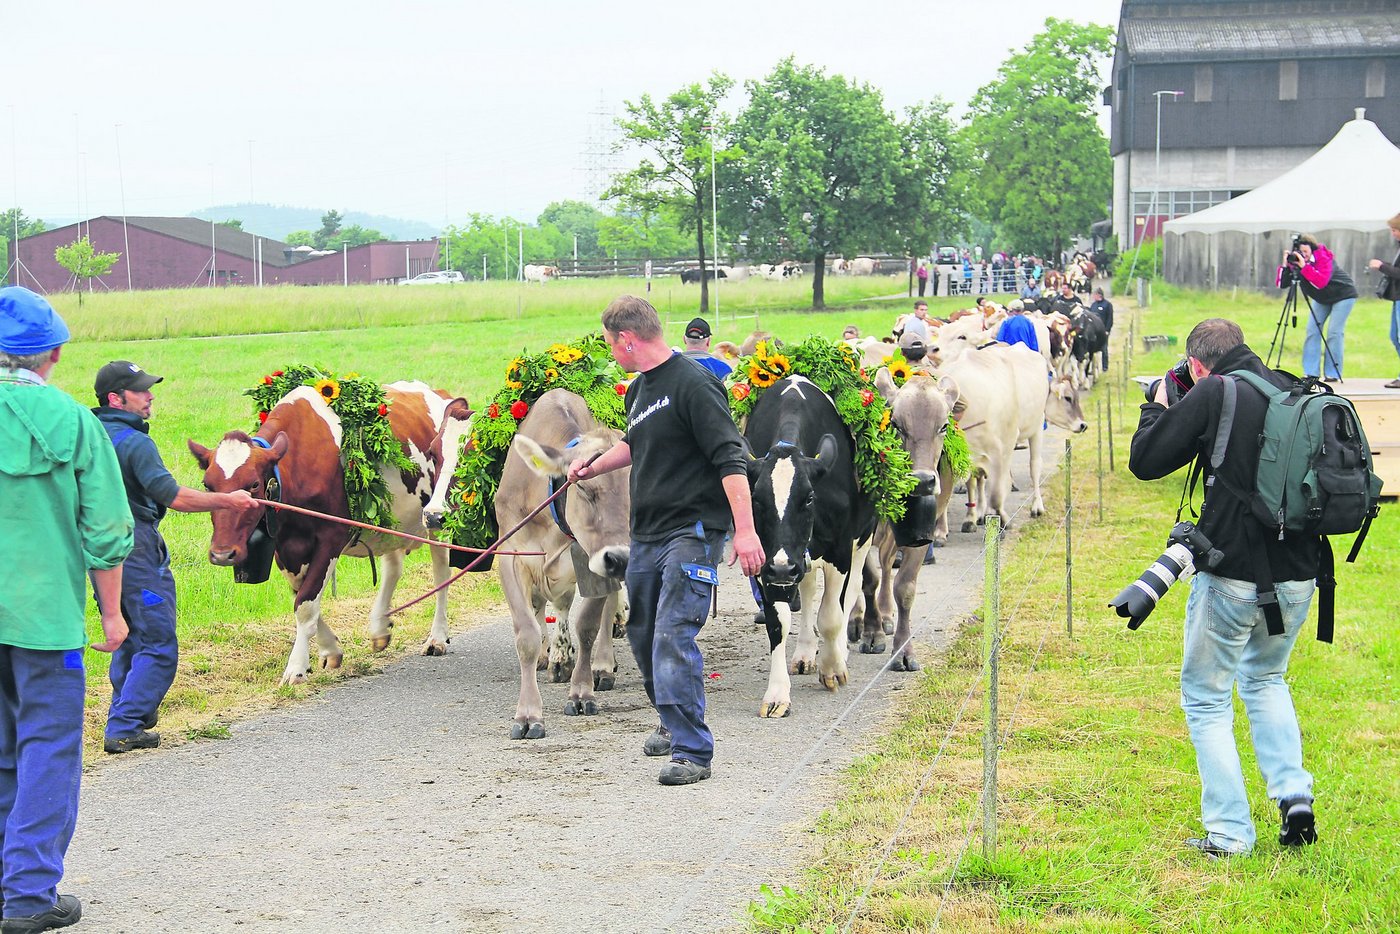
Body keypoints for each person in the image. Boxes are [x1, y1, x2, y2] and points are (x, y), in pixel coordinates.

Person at [1129, 318, 1321, 858]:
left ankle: (1230, 834)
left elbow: (1146, 462)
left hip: (1232, 573)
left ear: (1195, 363)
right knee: (1267, 679)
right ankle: (1294, 796)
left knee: (1207, 699)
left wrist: (1159, 405)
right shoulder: (1288, 387)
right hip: (1301, 574)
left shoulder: (1215, 390)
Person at [568, 296, 764, 786]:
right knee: (641, 633)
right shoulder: (640, 390)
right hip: (648, 532)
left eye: (613, 344)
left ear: (627, 339)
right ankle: (672, 720)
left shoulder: (695, 385)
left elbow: (730, 459)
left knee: (673, 632)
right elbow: (636, 444)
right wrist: (592, 466)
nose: (613, 352)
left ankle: (693, 751)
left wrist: (745, 532)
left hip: (693, 531)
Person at [0, 287, 133, 932]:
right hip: (44, 620)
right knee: (47, 747)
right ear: (51, 353)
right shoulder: (76, 423)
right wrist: (112, 615)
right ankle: (27, 894)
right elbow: (106, 531)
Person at [92, 361, 257, 755]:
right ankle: (126, 725)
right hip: (136, 547)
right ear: (116, 398)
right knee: (160, 643)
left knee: (131, 636)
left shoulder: (92, 435)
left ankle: (127, 711)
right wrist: (229, 499)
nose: (150, 395)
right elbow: (175, 497)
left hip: (100, 552)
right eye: (141, 390)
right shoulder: (134, 443)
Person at [1282, 234, 1357, 381]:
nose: (1303, 255)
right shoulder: (1296, 263)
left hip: (1343, 295)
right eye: (1300, 252)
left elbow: (1321, 281)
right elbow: (1282, 284)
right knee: (1312, 331)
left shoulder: (1324, 258)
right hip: (1322, 298)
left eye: (1306, 252)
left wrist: (1305, 267)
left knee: (1334, 333)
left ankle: (1332, 373)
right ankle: (1311, 373)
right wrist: (1286, 265)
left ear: (1312, 249)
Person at [1366, 212, 1400, 389]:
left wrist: (1382, 266)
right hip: (1397, 299)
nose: (1393, 233)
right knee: (1395, 337)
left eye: (1395, 230)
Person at [1088, 287, 1115, 371]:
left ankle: (1105, 367)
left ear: (1099, 295)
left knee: (1104, 349)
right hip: (1094, 331)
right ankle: (1091, 368)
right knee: (1091, 350)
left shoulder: (1107, 305)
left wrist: (1107, 330)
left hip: (1103, 331)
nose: (1093, 296)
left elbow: (1110, 318)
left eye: (1094, 295)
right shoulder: (1093, 305)